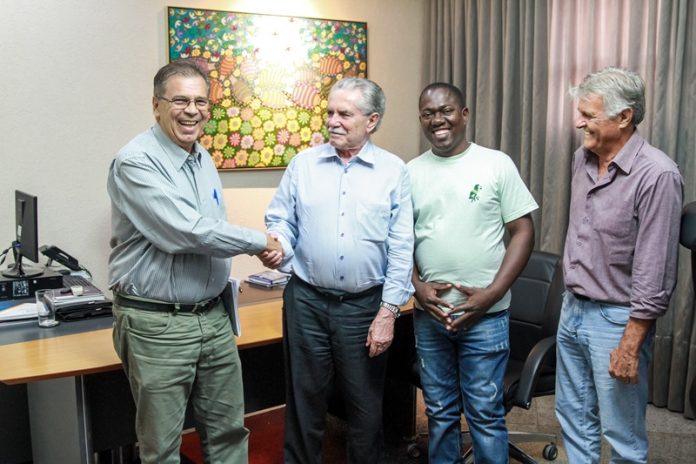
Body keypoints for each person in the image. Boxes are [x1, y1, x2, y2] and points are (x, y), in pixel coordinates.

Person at [107, 60, 282, 464]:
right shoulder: (135, 161)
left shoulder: (201, 156)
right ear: (156, 105)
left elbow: (208, 227)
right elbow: (184, 231)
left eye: (201, 102)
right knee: (163, 449)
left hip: (213, 318)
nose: (192, 111)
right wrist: (259, 242)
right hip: (159, 324)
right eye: (180, 101)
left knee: (228, 433)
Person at [262, 77, 414, 464]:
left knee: (364, 408)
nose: (333, 121)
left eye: (344, 114)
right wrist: (279, 244)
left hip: (364, 307)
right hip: (307, 301)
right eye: (330, 112)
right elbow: (281, 220)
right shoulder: (303, 165)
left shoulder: (393, 171)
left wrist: (388, 312)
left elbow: (401, 246)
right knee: (304, 402)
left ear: (372, 120)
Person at [555, 67, 683, 463]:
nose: (579, 123)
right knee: (573, 419)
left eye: (588, 115)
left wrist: (630, 343)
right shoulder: (582, 158)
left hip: (616, 320)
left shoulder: (657, 175)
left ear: (624, 116)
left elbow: (655, 268)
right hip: (572, 309)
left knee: (622, 433)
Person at [409, 82, 537, 463]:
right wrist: (416, 287)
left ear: (464, 115)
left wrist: (491, 294)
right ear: (421, 120)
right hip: (430, 316)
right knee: (440, 412)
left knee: (484, 414)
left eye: (446, 110)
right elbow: (397, 242)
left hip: (486, 317)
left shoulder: (496, 164)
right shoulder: (409, 173)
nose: (438, 120)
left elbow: (523, 231)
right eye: (429, 114)